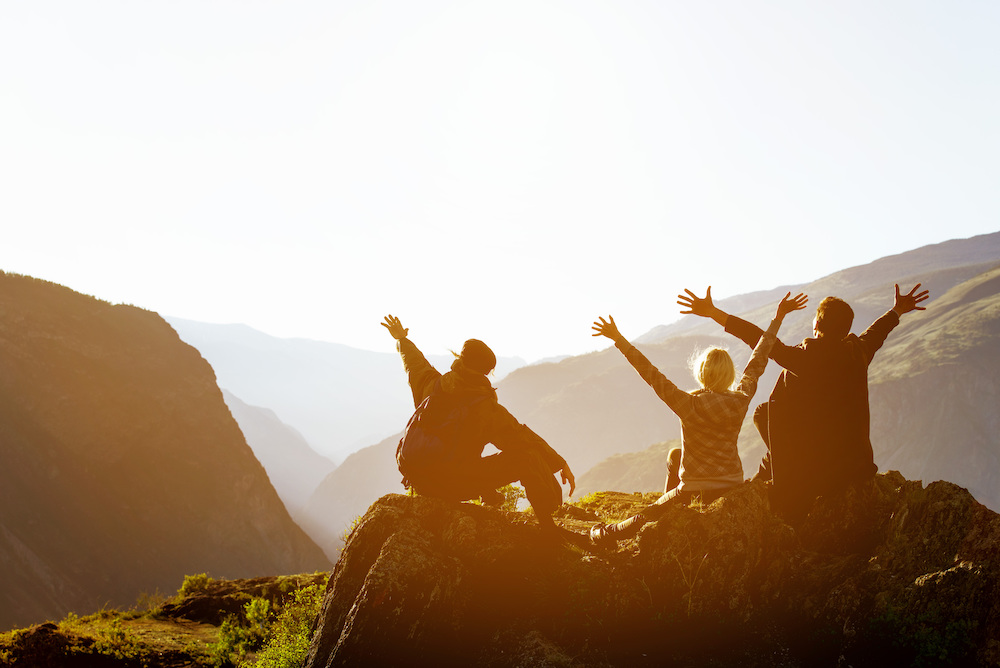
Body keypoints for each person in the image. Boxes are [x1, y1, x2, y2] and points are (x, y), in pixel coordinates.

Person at [677, 283, 929, 523]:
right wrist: (897, 310)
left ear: (817, 322)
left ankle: (772, 476)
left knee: (766, 410)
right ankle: (767, 472)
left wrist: (713, 313)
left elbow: (758, 339)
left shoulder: (805, 357)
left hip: (817, 473)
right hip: (856, 466)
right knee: (773, 408)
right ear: (846, 328)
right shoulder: (859, 351)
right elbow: (877, 332)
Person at [588, 292, 807, 545]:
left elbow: (650, 373)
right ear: (729, 373)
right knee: (675, 455)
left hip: (694, 490)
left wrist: (618, 339)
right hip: (732, 486)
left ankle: (605, 534)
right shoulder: (741, 398)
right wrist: (778, 317)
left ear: (701, 372)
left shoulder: (687, 403)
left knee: (646, 516)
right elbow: (759, 357)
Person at [381, 314, 576, 533]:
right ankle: (549, 529)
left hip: (420, 480)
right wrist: (560, 462)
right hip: (450, 484)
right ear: (487, 371)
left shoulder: (434, 385)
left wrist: (401, 339)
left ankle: (488, 494)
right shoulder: (485, 408)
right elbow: (521, 438)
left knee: (464, 454)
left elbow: (414, 362)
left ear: (461, 359)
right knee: (528, 458)